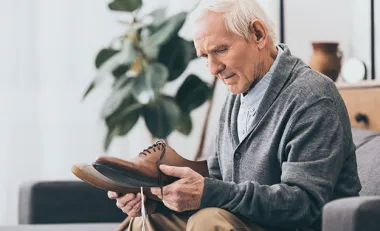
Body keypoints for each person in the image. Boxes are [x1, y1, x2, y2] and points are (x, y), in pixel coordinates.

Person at [108, 0, 361, 230]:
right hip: (247, 222)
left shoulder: (312, 96)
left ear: (258, 34)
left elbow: (305, 205)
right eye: (205, 56)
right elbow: (219, 181)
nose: (213, 68)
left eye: (220, 50)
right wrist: (159, 200)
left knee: (207, 221)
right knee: (147, 219)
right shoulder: (238, 95)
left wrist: (209, 192)